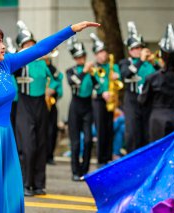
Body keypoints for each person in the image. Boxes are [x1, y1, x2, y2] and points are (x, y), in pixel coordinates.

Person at [0, 21, 100, 212]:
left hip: (6, 137)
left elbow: (40, 48)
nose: (3, 46)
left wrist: (71, 30)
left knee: (11, 193)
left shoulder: (6, 64)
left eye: (2, 41)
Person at [13, 20, 60, 196]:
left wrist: (53, 87)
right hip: (25, 104)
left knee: (41, 145)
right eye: (27, 44)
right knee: (28, 146)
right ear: (21, 47)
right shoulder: (19, 62)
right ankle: (26, 183)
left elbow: (55, 77)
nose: (31, 46)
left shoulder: (42, 63)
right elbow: (12, 71)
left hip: (41, 103)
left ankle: (39, 184)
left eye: (32, 43)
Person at [138, 24, 174, 142]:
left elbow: (142, 100)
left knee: (159, 154)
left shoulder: (152, 78)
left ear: (161, 55)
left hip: (158, 120)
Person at [119, 21, 155, 152]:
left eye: (140, 48)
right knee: (132, 134)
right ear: (129, 50)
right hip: (132, 101)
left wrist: (154, 62)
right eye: (134, 48)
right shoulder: (124, 62)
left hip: (147, 101)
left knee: (147, 134)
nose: (137, 51)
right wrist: (140, 61)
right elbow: (125, 74)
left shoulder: (150, 63)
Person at [65, 36, 96, 181]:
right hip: (75, 107)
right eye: (77, 57)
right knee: (76, 142)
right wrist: (84, 71)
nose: (80, 59)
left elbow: (99, 85)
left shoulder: (92, 71)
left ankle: (85, 170)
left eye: (82, 56)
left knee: (89, 140)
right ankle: (75, 171)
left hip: (88, 106)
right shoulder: (70, 71)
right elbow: (74, 82)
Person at [90, 33, 122, 167]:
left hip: (111, 101)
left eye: (104, 52)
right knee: (101, 129)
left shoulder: (113, 66)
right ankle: (101, 159)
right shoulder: (94, 68)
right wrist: (101, 92)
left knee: (110, 128)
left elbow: (119, 80)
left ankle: (108, 156)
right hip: (99, 101)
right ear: (96, 55)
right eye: (100, 53)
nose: (103, 55)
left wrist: (116, 77)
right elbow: (93, 84)